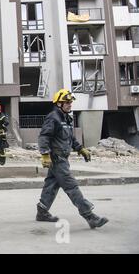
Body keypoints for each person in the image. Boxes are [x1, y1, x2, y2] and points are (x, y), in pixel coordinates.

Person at [36, 89, 108, 229]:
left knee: (51, 184)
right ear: (59, 104)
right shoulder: (53, 117)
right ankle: (89, 216)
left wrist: (80, 149)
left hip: (63, 157)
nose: (70, 104)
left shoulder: (66, 118)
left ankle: (42, 212)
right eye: (67, 102)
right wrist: (45, 154)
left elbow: (70, 138)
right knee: (71, 186)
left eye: (70, 102)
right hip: (57, 158)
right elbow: (44, 136)